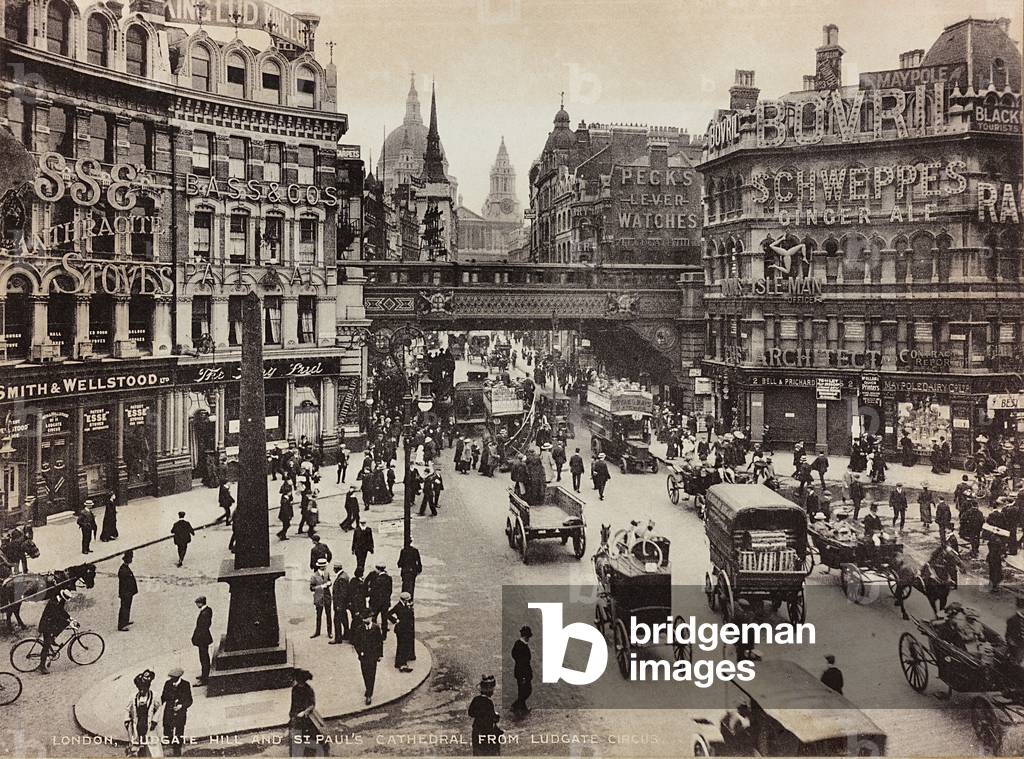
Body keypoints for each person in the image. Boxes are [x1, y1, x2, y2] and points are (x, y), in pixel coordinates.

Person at [288, 669, 325, 754]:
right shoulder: (295, 689)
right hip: (297, 714)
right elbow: (293, 703)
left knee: (310, 734)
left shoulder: (308, 689)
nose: (297, 682)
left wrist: (305, 712)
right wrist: (292, 714)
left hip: (306, 715)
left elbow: (312, 704)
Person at [37, 588, 72, 674]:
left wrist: (69, 618)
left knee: (65, 623)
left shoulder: (60, 600)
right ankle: (41, 666)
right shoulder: (53, 602)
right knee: (46, 645)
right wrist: (67, 621)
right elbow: (57, 614)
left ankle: (53, 638)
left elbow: (61, 610)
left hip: (50, 622)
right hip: (46, 625)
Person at [160, 667, 192, 757]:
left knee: (179, 731)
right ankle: (171, 744)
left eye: (173, 677)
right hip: (169, 712)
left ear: (178, 677)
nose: (171, 679)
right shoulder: (167, 684)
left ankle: (177, 750)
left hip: (180, 713)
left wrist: (181, 706)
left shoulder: (185, 685)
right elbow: (163, 697)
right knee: (167, 731)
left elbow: (189, 700)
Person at [353, 614, 384, 705]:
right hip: (363, 656)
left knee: (372, 674)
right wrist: (360, 652)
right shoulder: (359, 629)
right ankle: (368, 688)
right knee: (365, 673)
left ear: (370, 618)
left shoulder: (376, 628)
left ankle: (369, 694)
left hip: (373, 656)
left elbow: (380, 642)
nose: (365, 620)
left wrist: (380, 655)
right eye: (364, 618)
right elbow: (356, 643)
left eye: (366, 617)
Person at [125, 670, 158, 756]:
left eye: (144, 689)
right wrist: (127, 719)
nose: (142, 691)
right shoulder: (133, 696)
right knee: (138, 746)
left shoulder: (154, 695)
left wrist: (155, 720)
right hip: (138, 724)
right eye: (140, 689)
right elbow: (128, 709)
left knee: (151, 749)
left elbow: (159, 708)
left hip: (149, 725)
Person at [469, 674, 502, 756]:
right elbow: (492, 717)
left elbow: (470, 713)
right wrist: (497, 716)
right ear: (489, 691)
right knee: (488, 751)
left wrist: (479, 715)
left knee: (477, 752)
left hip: (476, 729)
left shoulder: (476, 699)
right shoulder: (489, 702)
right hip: (487, 731)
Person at [388, 591, 416, 672]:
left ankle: (401, 663)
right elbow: (388, 614)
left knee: (404, 646)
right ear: (404, 600)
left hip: (406, 629)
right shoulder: (398, 606)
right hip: (401, 629)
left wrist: (410, 608)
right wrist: (396, 620)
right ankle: (401, 664)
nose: (408, 601)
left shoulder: (406, 605)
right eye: (407, 600)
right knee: (401, 646)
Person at [510, 625, 533, 714]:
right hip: (523, 673)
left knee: (522, 691)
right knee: (527, 691)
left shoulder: (517, 643)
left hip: (519, 672)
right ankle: (515, 706)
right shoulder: (522, 646)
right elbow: (523, 662)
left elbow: (513, 654)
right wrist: (524, 676)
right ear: (526, 636)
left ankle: (522, 708)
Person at [309, 558, 333, 639]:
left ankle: (330, 632)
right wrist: (321, 587)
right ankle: (317, 632)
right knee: (318, 616)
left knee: (328, 615)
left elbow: (329, 581)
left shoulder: (327, 573)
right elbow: (311, 588)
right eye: (322, 566)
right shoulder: (314, 576)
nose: (324, 567)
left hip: (327, 597)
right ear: (319, 567)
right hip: (319, 598)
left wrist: (329, 583)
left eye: (324, 566)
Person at [368, 562, 393, 638]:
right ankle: (384, 635)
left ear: (378, 569)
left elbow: (373, 592)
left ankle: (375, 634)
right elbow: (390, 590)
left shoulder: (377, 579)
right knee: (384, 619)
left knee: (374, 617)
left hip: (376, 602)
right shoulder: (389, 578)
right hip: (385, 602)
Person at [191, 596, 212, 686]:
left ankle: (204, 678)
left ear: (200, 603)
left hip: (202, 640)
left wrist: (196, 638)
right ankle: (204, 674)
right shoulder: (208, 610)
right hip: (205, 638)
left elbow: (201, 628)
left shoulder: (204, 614)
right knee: (204, 657)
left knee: (203, 658)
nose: (196, 605)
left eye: (197, 603)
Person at [329, 563, 350, 644]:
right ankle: (346, 634)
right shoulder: (345, 575)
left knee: (337, 620)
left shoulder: (341, 578)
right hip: (343, 604)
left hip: (340, 604)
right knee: (344, 619)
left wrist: (339, 605)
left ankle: (338, 638)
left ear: (336, 569)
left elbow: (342, 594)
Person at [118, 550, 138, 632]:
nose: (131, 560)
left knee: (127, 607)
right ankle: (121, 625)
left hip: (128, 592)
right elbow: (124, 583)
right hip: (126, 593)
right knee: (124, 608)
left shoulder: (125, 568)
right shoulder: (123, 570)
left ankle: (125, 621)